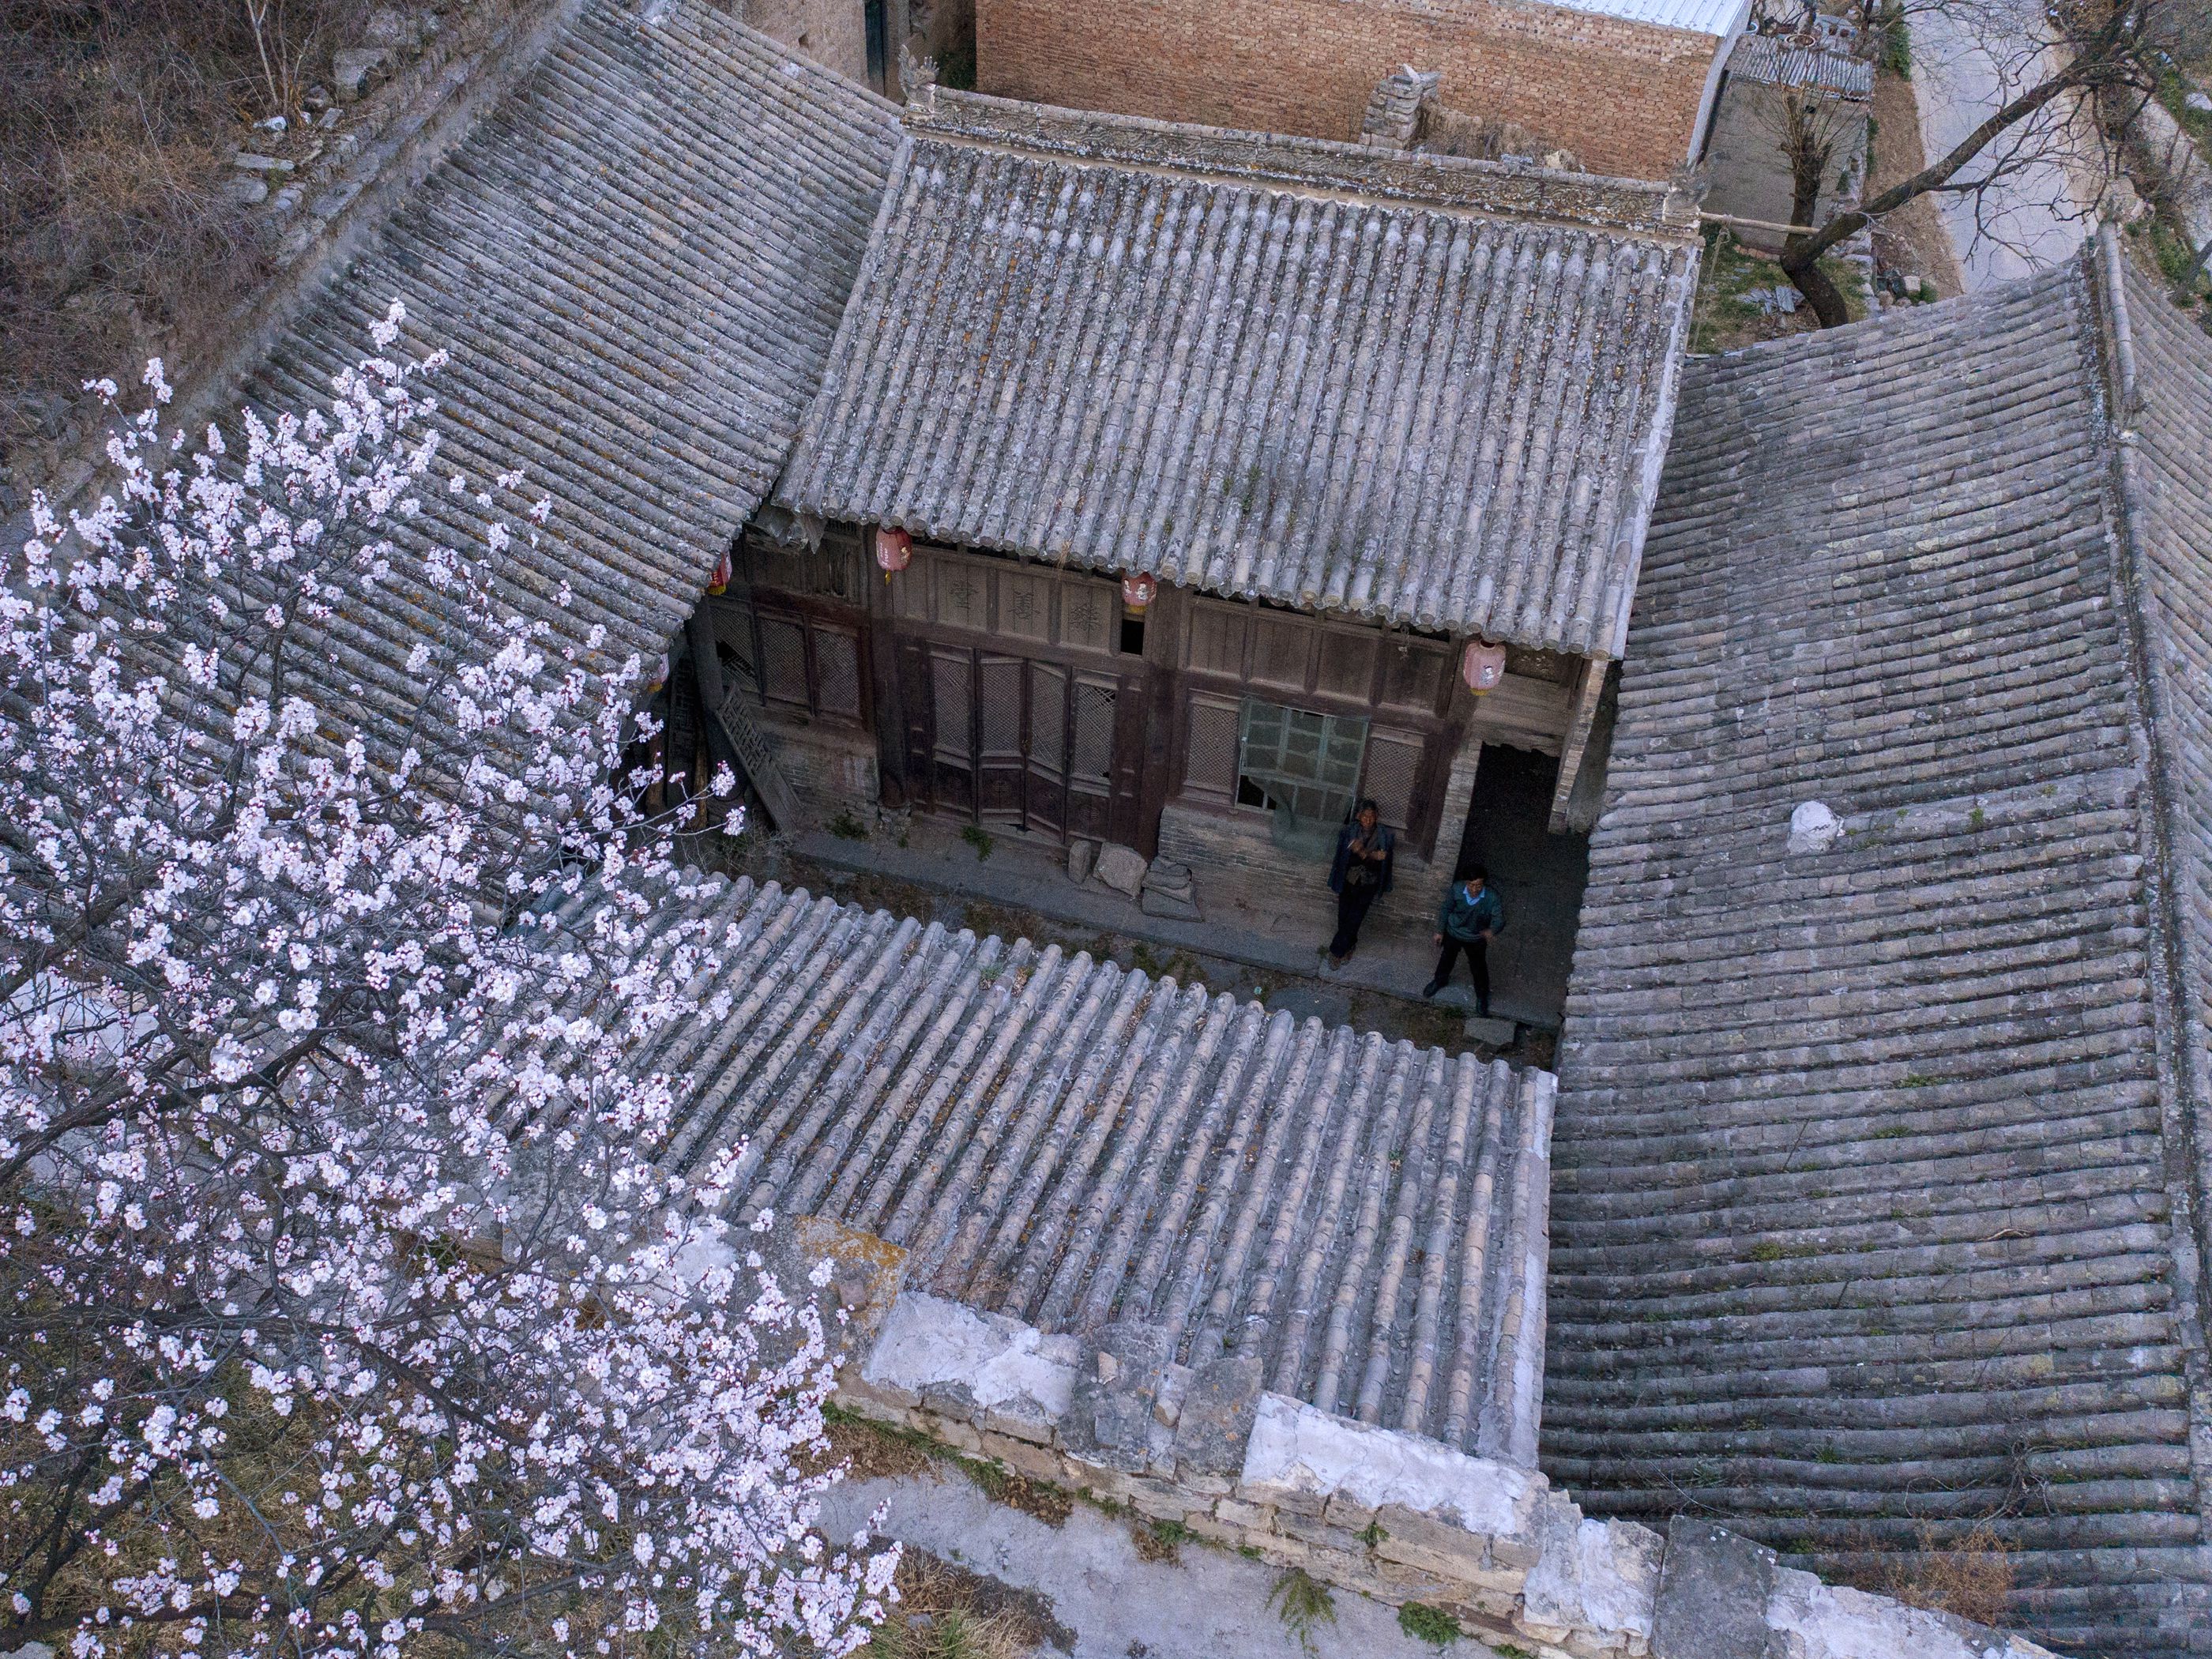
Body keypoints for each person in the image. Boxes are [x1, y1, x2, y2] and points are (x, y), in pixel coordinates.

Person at [1425, 866, 1504, 1015]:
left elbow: (1499, 918)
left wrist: (1492, 930)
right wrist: (1440, 931)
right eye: (1471, 885)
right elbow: (1446, 909)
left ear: (1483, 884)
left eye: (1478, 885)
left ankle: (1482, 996)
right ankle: (1440, 980)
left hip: (1476, 937)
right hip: (1454, 932)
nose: (1474, 889)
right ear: (1466, 883)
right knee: (1447, 959)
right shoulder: (1457, 889)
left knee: (1479, 967)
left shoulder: (1491, 897)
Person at [1325, 799, 1394, 965]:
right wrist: (1362, 852)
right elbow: (1341, 859)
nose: (1368, 820)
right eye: (1364, 816)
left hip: (1369, 883)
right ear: (1358, 816)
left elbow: (1383, 863)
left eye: (1371, 816)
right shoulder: (1349, 832)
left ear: (1377, 816)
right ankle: (1351, 944)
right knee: (1343, 916)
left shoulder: (1385, 836)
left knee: (1355, 918)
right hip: (1349, 880)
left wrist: (1364, 853)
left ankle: (1336, 952)